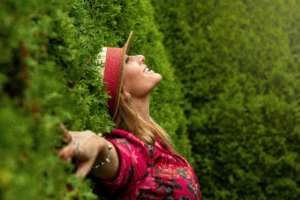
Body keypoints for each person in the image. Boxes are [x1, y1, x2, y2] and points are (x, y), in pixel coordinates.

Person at [59, 32, 201, 200]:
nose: (141, 57)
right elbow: (120, 157)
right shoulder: (134, 150)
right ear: (122, 91)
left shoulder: (154, 139)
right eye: (127, 60)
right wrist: (98, 146)